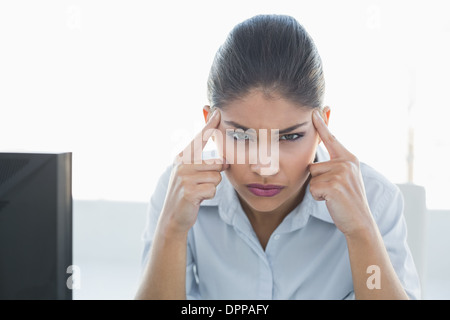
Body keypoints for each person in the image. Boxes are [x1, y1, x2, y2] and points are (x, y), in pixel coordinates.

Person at [135, 14, 420, 300]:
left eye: (289, 137)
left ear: (322, 125)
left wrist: (361, 231)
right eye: (242, 136)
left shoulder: (375, 200)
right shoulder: (177, 191)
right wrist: (172, 228)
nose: (265, 167)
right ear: (211, 123)